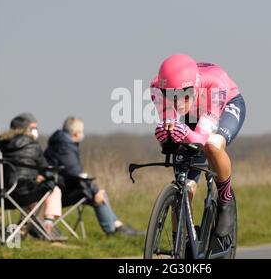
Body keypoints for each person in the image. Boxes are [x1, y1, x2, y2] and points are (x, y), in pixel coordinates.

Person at [150, 54, 246, 237]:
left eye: (184, 95)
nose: (177, 102)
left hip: (225, 106)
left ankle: (225, 201)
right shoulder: (157, 87)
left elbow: (202, 137)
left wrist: (183, 133)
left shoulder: (215, 83)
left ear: (194, 89)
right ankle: (184, 245)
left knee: (212, 145)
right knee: (184, 188)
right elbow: (169, 122)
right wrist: (167, 134)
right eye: (171, 95)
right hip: (194, 114)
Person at [44, 116, 142, 236]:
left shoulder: (60, 142)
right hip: (61, 191)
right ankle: (113, 230)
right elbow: (75, 173)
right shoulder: (65, 146)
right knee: (99, 195)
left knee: (98, 193)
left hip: (62, 186)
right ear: (75, 133)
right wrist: (94, 191)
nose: (82, 134)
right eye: (81, 131)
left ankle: (117, 226)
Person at [0, 113, 66, 241]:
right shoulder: (32, 145)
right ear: (27, 129)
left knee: (30, 195)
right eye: (33, 127)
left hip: (0, 194)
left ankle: (25, 228)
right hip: (24, 192)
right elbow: (45, 169)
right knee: (53, 189)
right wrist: (40, 177)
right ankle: (46, 225)